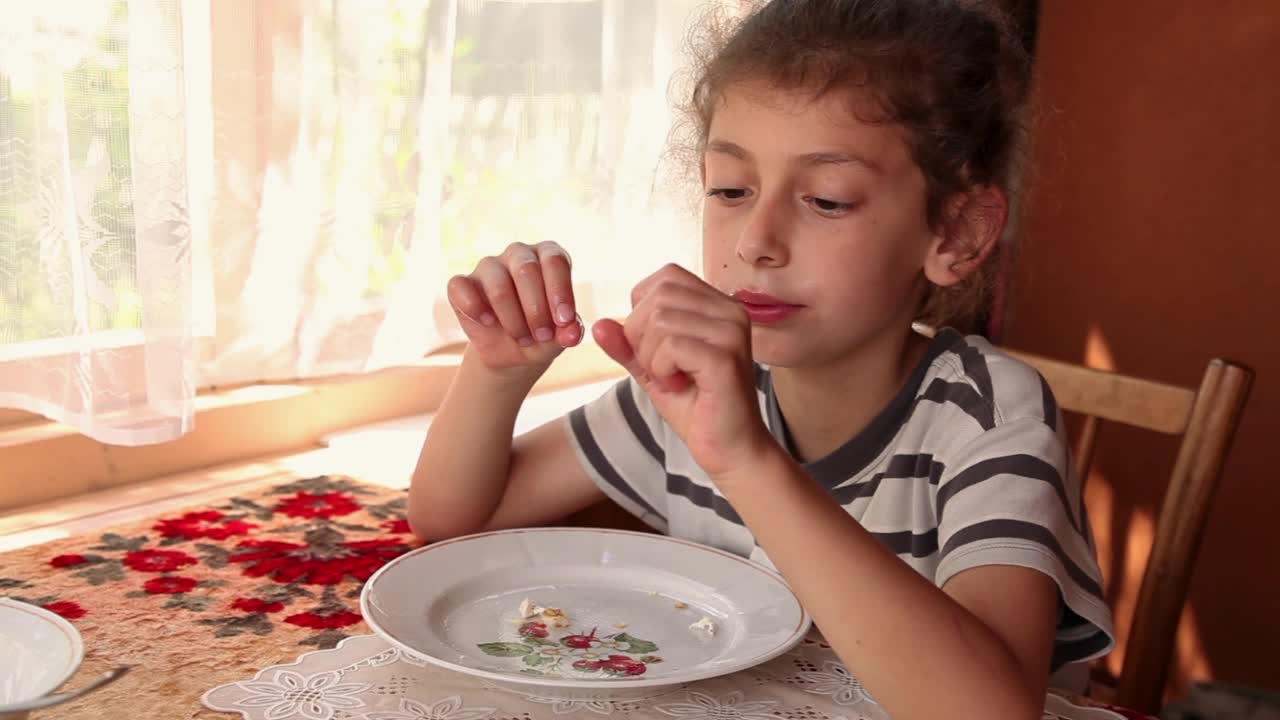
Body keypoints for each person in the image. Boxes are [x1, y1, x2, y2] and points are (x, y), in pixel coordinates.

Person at [408, 2, 1115, 718]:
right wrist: (496, 373)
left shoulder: (987, 416)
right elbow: (456, 520)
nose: (756, 240)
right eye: (731, 190)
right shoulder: (699, 387)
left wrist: (743, 460)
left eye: (826, 200)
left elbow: (991, 712)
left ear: (957, 232)